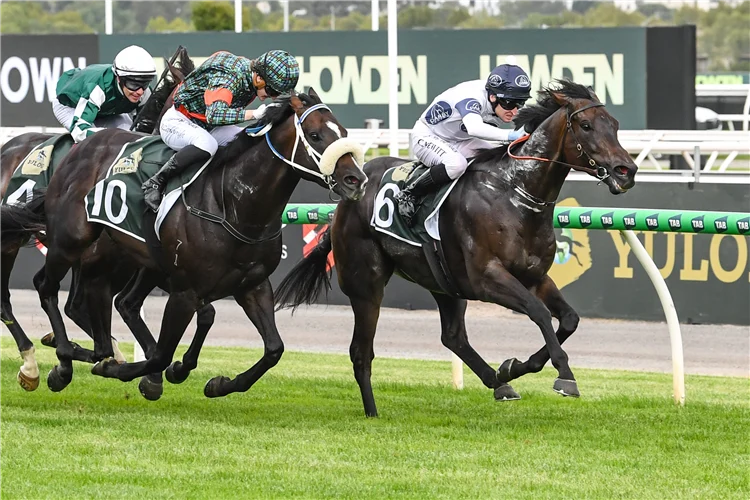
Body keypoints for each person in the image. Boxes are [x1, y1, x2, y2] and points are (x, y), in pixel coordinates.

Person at [142, 49, 300, 212]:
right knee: (208, 144)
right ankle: (156, 182)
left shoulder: (250, 75)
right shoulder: (229, 77)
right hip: (178, 121)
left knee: (248, 139)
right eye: (272, 91)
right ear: (259, 78)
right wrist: (253, 114)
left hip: (207, 126)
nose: (273, 97)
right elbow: (214, 115)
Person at [395, 62, 532, 225]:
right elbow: (474, 128)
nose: (514, 111)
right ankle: (410, 193)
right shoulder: (472, 96)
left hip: (459, 139)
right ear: (493, 97)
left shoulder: (496, 98)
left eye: (520, 103)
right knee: (456, 164)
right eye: (509, 103)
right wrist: (510, 136)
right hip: (427, 135)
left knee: (499, 159)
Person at [53, 45, 157, 143]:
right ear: (118, 78)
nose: (140, 92)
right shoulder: (98, 88)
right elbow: (80, 131)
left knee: (128, 135)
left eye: (145, 83)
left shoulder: (145, 92)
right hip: (71, 106)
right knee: (97, 141)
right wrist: (111, 136)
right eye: (133, 84)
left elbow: (145, 129)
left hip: (108, 110)